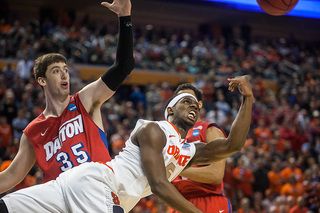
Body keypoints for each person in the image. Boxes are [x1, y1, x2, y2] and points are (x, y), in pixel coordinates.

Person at [0, 75, 253, 213]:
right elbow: (159, 185)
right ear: (170, 109)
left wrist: (248, 99)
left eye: (196, 106)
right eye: (186, 102)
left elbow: (233, 144)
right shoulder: (153, 129)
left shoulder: (187, 150)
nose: (193, 107)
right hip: (98, 186)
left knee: (7, 206)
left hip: (75, 184)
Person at [0, 0, 134, 193]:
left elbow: (124, 66)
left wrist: (125, 17)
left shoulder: (84, 100)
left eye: (65, 70)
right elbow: (11, 177)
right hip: (60, 200)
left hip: (98, 191)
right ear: (42, 81)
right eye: (56, 71)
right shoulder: (33, 132)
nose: (64, 75)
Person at [171, 83, 232, 213]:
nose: (185, 103)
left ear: (199, 104)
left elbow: (216, 175)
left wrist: (174, 168)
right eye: (181, 99)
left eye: (189, 99)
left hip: (209, 200)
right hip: (179, 203)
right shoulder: (169, 136)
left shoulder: (210, 130)